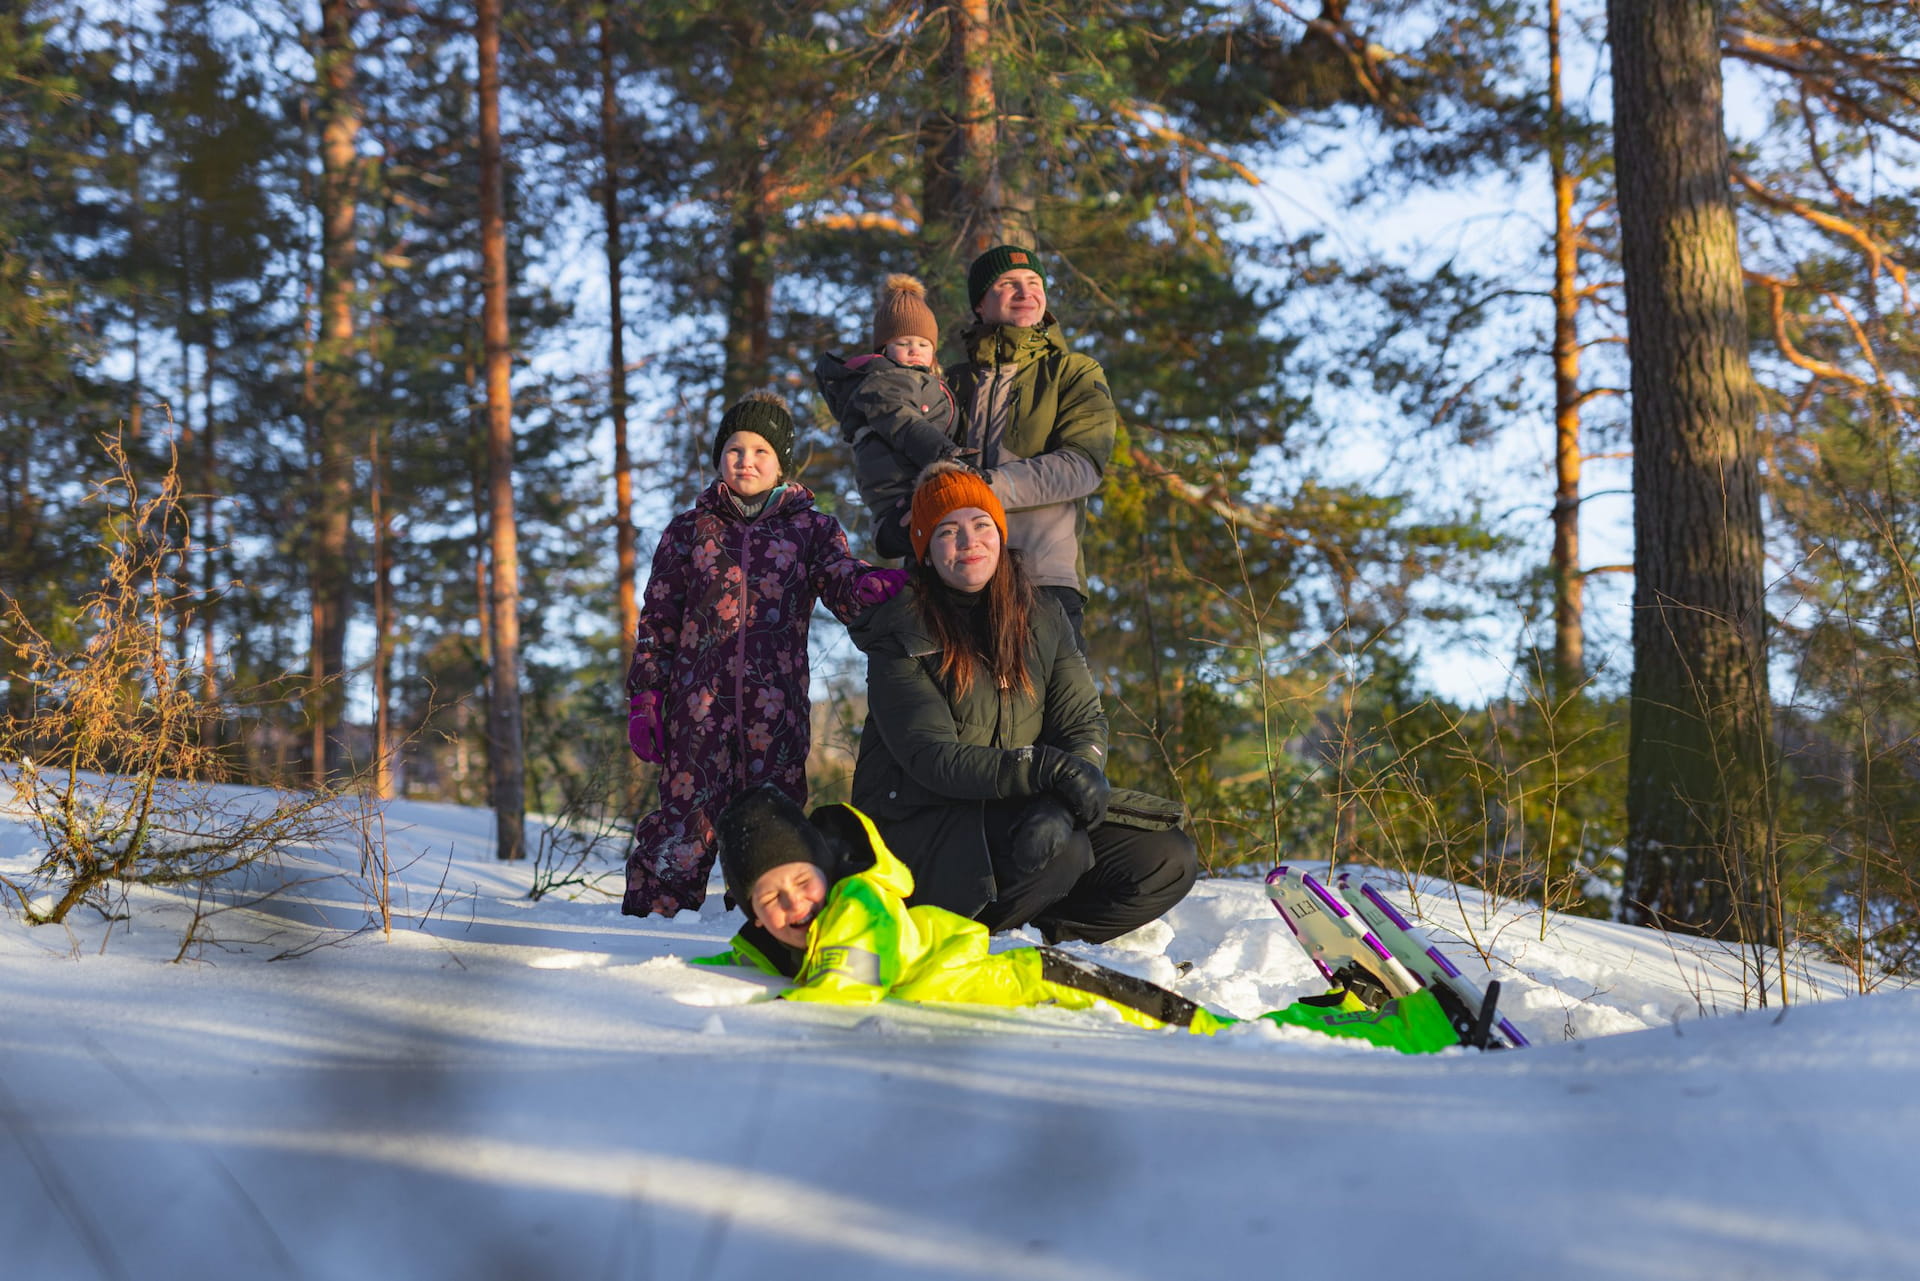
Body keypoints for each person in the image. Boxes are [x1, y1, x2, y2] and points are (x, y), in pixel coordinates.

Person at [694, 785, 1462, 1055]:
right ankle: (1339, 1010)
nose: (795, 905)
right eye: (773, 899)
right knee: (1219, 1036)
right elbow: (738, 970)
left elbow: (840, 998)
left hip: (1053, 986)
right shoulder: (791, 943)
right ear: (755, 914)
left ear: (823, 869)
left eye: (799, 881)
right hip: (1026, 1003)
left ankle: (1406, 1032)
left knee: (1219, 1040)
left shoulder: (857, 910)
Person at [846, 461, 1195, 942]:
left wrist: (1062, 801)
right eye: (948, 531)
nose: (969, 542)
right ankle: (961, 938)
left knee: (1167, 857)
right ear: (926, 552)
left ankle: (1043, 935)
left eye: (981, 525)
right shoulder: (900, 630)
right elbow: (932, 757)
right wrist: (1048, 773)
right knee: (1061, 851)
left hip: (1019, 808)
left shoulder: (1044, 615)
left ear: (1000, 532)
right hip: (921, 829)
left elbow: (1083, 722)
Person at [621, 391, 909, 918]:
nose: (746, 460)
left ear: (781, 465)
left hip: (774, 707)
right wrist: (646, 697)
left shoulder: (811, 529)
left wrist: (870, 585)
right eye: (734, 449)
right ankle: (654, 919)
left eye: (760, 450)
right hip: (696, 707)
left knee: (771, 816)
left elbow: (839, 579)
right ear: (719, 458)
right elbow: (658, 619)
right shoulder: (690, 531)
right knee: (686, 816)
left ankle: (767, 918)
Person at [950, 244, 1115, 652]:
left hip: (1041, 579)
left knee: (1051, 713)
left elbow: (1082, 465)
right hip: (953, 580)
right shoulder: (948, 384)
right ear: (980, 306)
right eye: (1008, 284)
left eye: (1034, 283)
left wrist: (984, 488)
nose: (1026, 292)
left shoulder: (1073, 371)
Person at [813, 273, 970, 560]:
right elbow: (902, 421)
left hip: (919, 483)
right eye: (904, 342)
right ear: (884, 348)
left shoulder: (927, 382)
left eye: (923, 344)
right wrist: (947, 455)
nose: (914, 350)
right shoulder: (883, 381)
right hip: (898, 490)